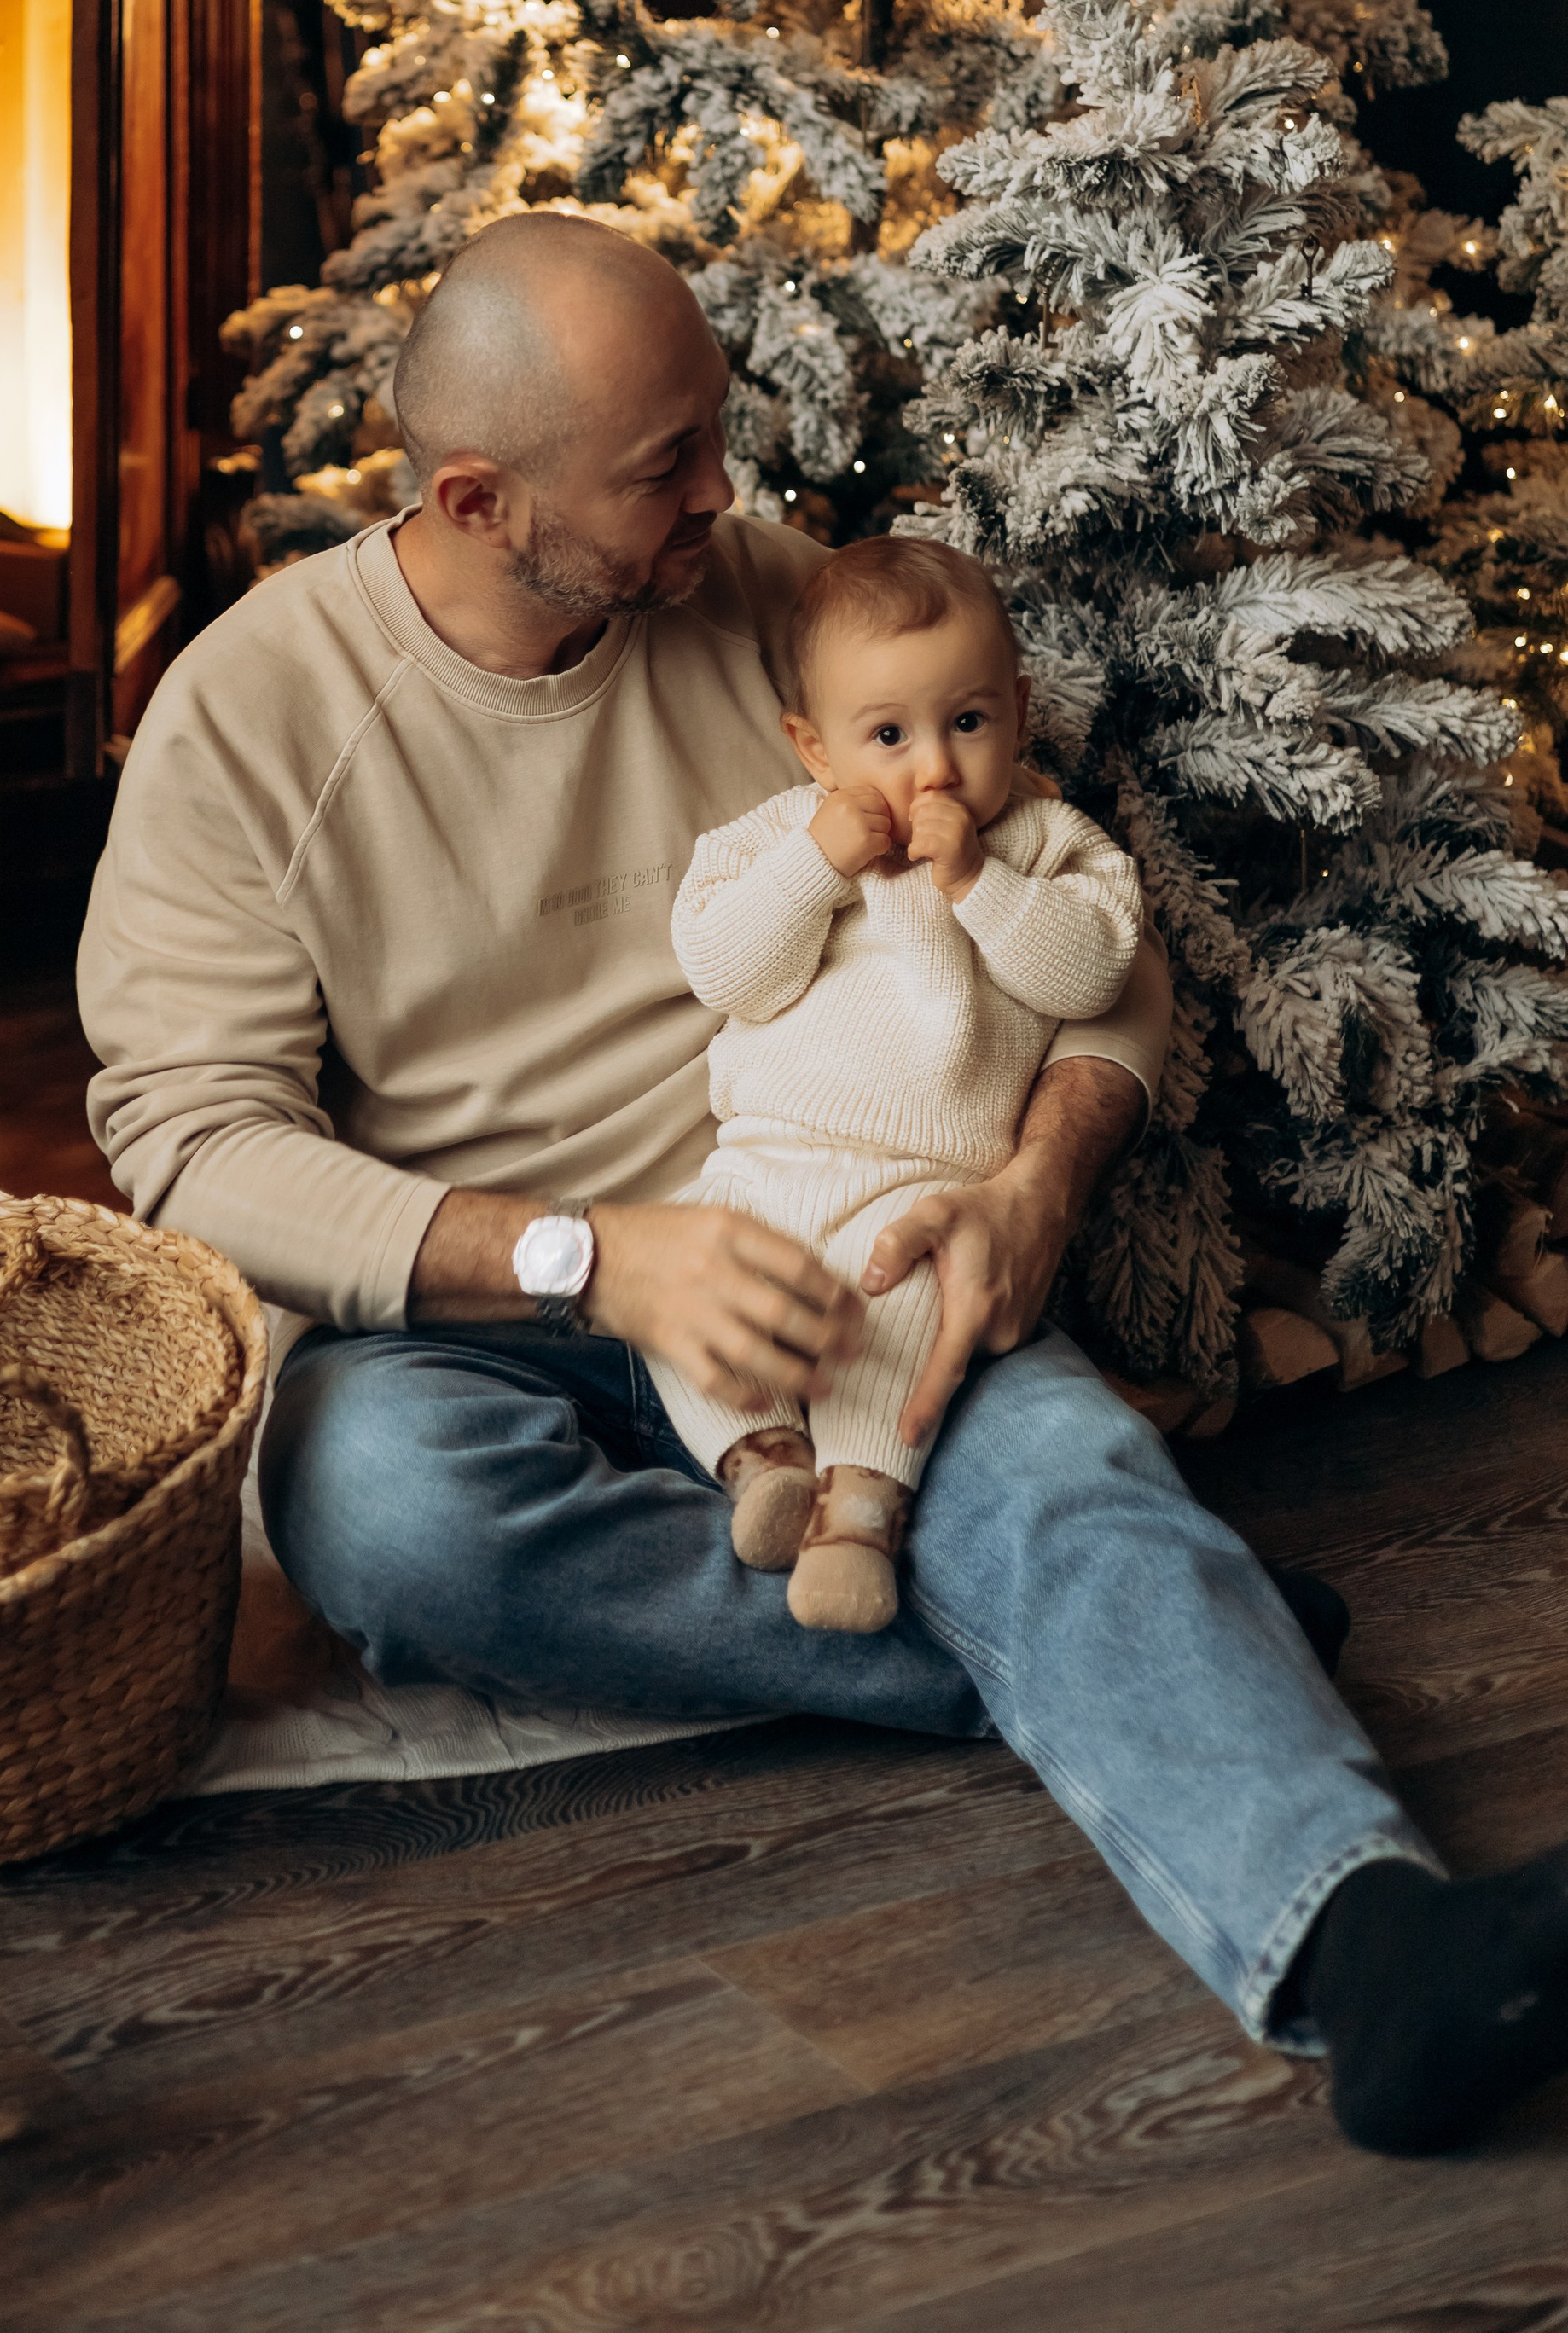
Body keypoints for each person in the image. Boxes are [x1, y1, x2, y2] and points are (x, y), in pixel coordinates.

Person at [80, 211, 1568, 2157]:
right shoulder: (247, 718)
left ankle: (1370, 1955)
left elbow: (1100, 962)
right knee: (373, 1508)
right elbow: (185, 1144)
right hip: (474, 1310)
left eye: (715, 436)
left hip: (837, 1249)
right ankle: (1096, 1650)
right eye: (665, 468)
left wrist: (1039, 1182)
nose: (728, 493)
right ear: (473, 496)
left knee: (1044, 1464)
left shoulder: (772, 607)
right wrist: (587, 1259)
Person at [652, 532, 1140, 1631]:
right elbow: (728, 971)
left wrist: (978, 883)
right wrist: (812, 866)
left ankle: (861, 1514)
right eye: (886, 735)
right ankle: (764, 1463)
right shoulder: (777, 837)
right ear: (813, 748)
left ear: (1016, 711)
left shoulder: (1050, 842)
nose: (932, 768)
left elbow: (1095, 971)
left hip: (922, 1185)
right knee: (682, 1296)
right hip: (759, 1165)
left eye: (967, 723)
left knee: (899, 1314)